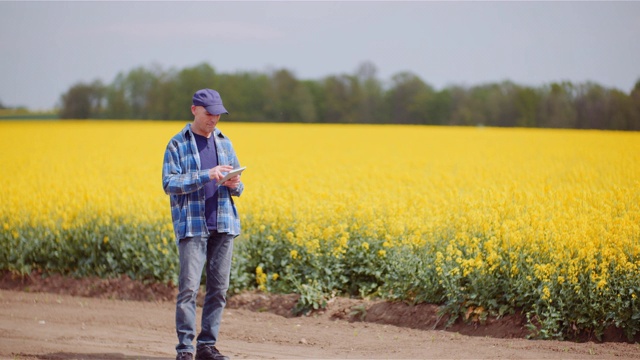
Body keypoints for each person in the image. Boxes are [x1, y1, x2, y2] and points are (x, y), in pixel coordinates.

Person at [162, 88, 244, 360]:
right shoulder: (177, 144)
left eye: (218, 114)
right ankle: (185, 350)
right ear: (194, 109)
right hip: (193, 226)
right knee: (189, 290)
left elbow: (239, 187)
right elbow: (169, 183)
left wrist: (234, 183)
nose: (214, 119)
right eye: (209, 113)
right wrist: (206, 175)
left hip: (223, 223)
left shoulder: (225, 142)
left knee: (218, 291)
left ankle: (207, 347)